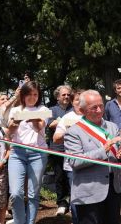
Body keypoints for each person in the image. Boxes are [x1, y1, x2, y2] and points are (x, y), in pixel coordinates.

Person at [64, 90, 121, 224]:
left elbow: (118, 154)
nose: (99, 110)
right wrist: (103, 150)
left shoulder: (112, 127)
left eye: (101, 106)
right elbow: (75, 161)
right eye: (94, 107)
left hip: (113, 189)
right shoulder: (73, 132)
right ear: (82, 110)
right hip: (89, 193)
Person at [7, 81, 49, 224]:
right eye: (29, 94)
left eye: (35, 94)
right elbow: (9, 132)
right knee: (15, 193)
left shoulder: (43, 109)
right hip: (17, 153)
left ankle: (29, 222)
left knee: (33, 193)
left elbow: (40, 127)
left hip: (38, 153)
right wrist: (13, 125)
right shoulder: (15, 110)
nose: (32, 97)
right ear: (23, 95)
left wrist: (34, 119)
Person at [53, 89, 84, 224]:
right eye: (77, 100)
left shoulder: (93, 114)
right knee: (76, 196)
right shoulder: (67, 117)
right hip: (72, 165)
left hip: (92, 163)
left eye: (83, 100)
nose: (80, 103)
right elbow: (56, 138)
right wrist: (72, 131)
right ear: (72, 102)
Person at [47, 85, 73, 216]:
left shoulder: (74, 109)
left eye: (68, 95)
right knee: (59, 176)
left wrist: (60, 122)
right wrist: (67, 121)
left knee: (72, 176)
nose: (67, 97)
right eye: (64, 95)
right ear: (58, 97)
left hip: (73, 148)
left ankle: (73, 201)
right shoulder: (51, 110)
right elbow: (50, 124)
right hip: (57, 148)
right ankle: (62, 203)